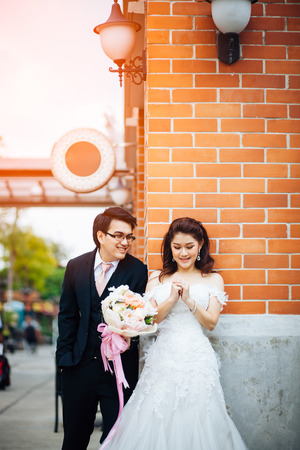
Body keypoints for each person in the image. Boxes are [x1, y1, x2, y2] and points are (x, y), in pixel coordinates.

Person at [101, 217, 248, 450]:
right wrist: (170, 299)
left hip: (197, 357)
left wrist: (189, 301)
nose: (183, 253)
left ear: (200, 245)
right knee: (155, 413)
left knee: (200, 414)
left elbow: (210, 323)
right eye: (177, 247)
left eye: (189, 247)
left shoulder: (213, 278)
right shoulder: (156, 278)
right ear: (170, 246)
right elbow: (151, 320)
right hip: (162, 356)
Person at [56, 207, 148, 450]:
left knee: (116, 439)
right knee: (74, 439)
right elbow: (67, 315)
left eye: (129, 236)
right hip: (78, 365)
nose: (125, 242)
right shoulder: (75, 266)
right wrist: (64, 358)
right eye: (118, 235)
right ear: (100, 236)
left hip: (118, 371)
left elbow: (137, 316)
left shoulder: (137, 270)